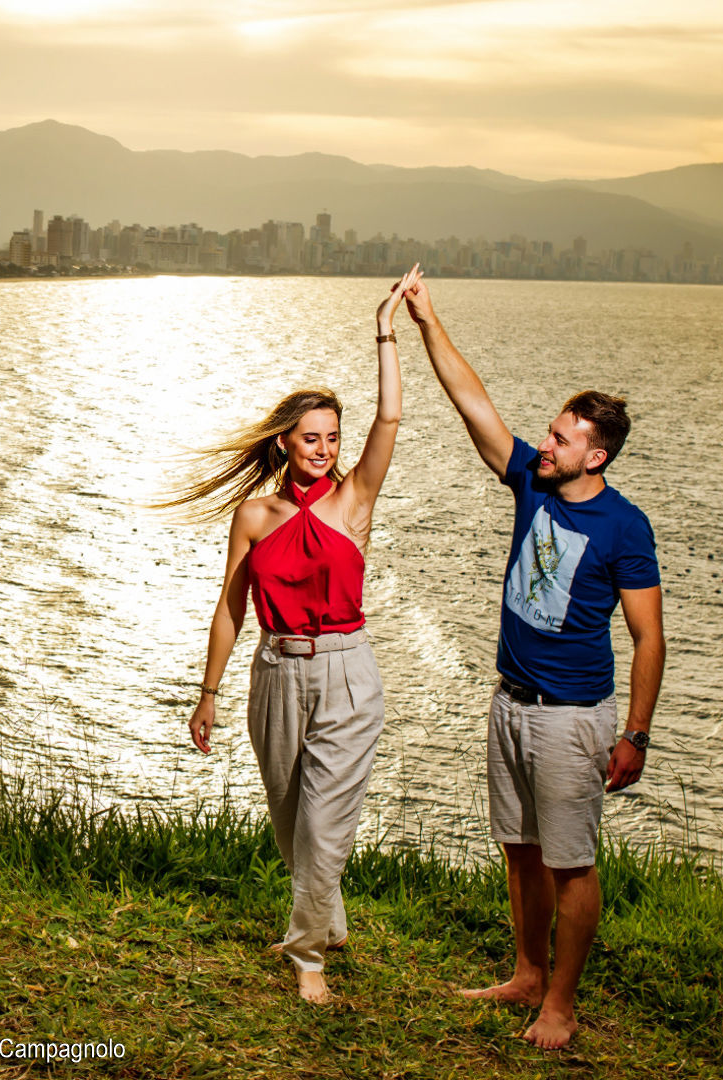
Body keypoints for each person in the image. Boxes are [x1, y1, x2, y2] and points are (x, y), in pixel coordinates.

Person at [402, 274, 666, 1049]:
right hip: (509, 702)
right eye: (548, 434)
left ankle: (561, 1003)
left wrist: (637, 736)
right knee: (519, 849)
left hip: (573, 719)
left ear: (598, 453)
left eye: (560, 438)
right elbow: (470, 400)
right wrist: (427, 319)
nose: (543, 444)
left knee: (571, 863)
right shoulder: (531, 482)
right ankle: (524, 971)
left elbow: (649, 637)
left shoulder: (625, 528)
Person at [178, 265, 420, 1003]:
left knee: (323, 823)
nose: (323, 448)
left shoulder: (354, 500)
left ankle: (308, 954)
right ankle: (328, 912)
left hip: (348, 675)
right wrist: (208, 692)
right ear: (285, 442)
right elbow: (230, 607)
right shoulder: (254, 515)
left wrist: (385, 330)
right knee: (291, 826)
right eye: (310, 438)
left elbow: (389, 422)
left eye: (331, 438)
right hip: (275, 676)